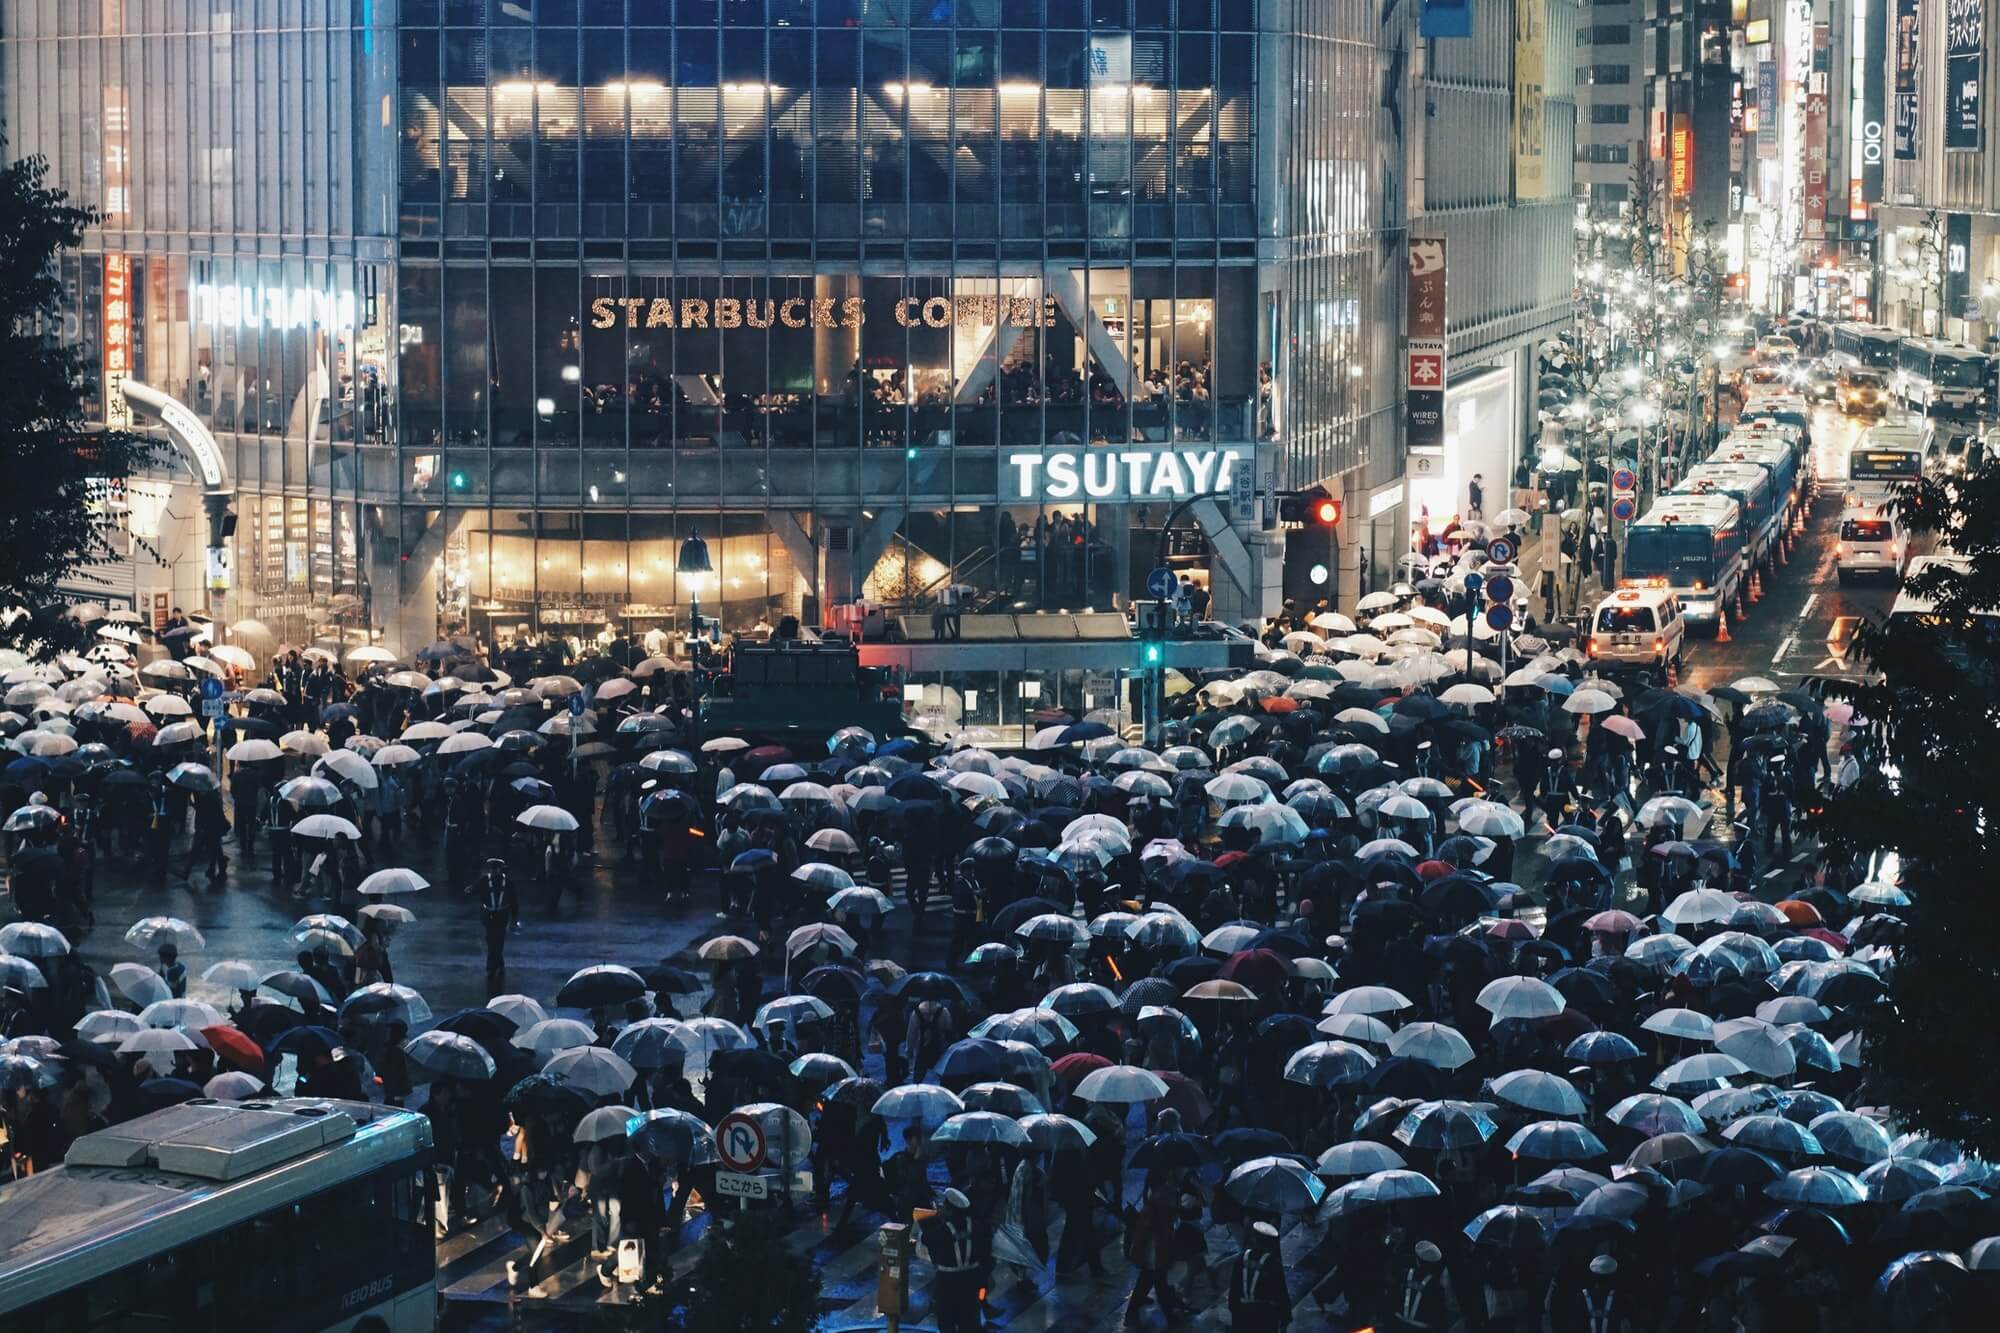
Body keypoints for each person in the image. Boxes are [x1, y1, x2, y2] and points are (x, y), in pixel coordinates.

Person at [920, 1187, 981, 1333]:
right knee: (969, 1320)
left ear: (950, 1209)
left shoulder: (943, 1230)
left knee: (947, 1322)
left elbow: (926, 1238)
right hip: (972, 1279)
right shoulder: (976, 1225)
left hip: (948, 1282)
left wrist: (936, 1218)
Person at [1228, 1220, 1290, 1331]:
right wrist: (1285, 1317)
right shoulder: (1273, 1264)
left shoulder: (1241, 1258)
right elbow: (1281, 1292)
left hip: (1242, 1313)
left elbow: (1234, 1288)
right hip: (1264, 1316)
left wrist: (1234, 1311)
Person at [478, 858, 518, 990]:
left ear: (501, 869)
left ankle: (497, 965)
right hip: (489, 915)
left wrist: (514, 917)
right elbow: (475, 889)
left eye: (497, 869)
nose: (494, 872)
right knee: (491, 940)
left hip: (502, 915)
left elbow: (514, 900)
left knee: (499, 940)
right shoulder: (485, 880)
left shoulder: (508, 882)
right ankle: (493, 966)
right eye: (492, 869)